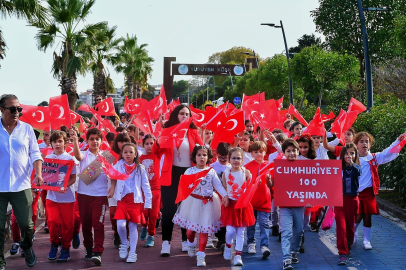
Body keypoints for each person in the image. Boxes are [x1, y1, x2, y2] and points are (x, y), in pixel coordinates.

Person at [152, 105, 204, 256]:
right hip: (171, 174)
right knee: (169, 210)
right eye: (181, 113)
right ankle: (166, 243)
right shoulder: (168, 131)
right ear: (176, 115)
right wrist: (160, 137)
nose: (184, 116)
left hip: (188, 174)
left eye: (187, 114)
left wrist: (204, 142)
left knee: (186, 209)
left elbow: (201, 152)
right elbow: (156, 151)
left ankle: (185, 241)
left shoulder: (193, 132)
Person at [0, 94, 43, 269]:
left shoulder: (26, 129)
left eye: (19, 109)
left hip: (22, 185)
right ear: (2, 110)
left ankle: (27, 246)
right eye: (12, 109)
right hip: (0, 187)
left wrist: (38, 173)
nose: (16, 112)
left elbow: (35, 153)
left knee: (27, 224)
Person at [173, 145, 228, 267]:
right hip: (192, 203)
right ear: (194, 157)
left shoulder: (211, 171)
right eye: (199, 155)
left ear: (208, 157)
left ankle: (201, 256)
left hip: (208, 204)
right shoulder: (189, 171)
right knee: (190, 232)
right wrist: (180, 198)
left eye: (204, 155)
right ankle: (191, 243)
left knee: (204, 231)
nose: (201, 157)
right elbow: (183, 186)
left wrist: (225, 195)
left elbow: (218, 185)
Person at [353, 131, 405, 250]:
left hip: (368, 193)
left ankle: (366, 240)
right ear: (356, 144)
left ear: (370, 145)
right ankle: (353, 233)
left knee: (367, 216)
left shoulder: (374, 158)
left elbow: (388, 151)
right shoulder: (352, 158)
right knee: (357, 215)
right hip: (355, 193)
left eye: (367, 141)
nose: (364, 143)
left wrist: (398, 140)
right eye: (361, 141)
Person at [108, 143, 152, 263]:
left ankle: (133, 252)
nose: (128, 154)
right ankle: (124, 243)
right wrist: (112, 186)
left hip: (135, 201)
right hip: (122, 200)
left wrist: (148, 202)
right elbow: (111, 174)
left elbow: (146, 186)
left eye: (131, 152)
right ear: (122, 154)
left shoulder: (140, 168)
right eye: (125, 152)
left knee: (133, 226)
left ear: (135, 154)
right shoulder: (118, 165)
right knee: (120, 225)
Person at [71, 127, 108, 266]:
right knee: (86, 224)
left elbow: (114, 174)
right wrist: (75, 139)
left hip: (100, 196)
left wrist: (112, 188)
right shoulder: (84, 155)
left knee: (98, 224)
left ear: (101, 141)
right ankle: (88, 248)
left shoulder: (106, 156)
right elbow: (77, 156)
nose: (94, 142)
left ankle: (98, 252)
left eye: (97, 139)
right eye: (91, 139)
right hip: (84, 195)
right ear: (87, 141)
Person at [278, 139, 311, 270]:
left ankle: (294, 251)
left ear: (298, 151)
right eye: (288, 151)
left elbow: (311, 183)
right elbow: (273, 185)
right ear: (284, 153)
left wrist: (309, 199)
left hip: (299, 205)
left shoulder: (305, 165)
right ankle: (286, 258)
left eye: (294, 150)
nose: (291, 153)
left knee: (299, 231)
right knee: (286, 232)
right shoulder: (279, 166)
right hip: (284, 206)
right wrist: (269, 181)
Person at [45, 131, 77, 262]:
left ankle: (66, 248)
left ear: (65, 142)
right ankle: (54, 244)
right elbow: (45, 176)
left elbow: (74, 178)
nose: (57, 144)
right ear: (51, 143)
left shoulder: (70, 159)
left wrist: (65, 186)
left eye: (60, 141)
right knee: (52, 222)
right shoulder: (48, 158)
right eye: (55, 142)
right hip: (52, 197)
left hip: (67, 198)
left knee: (67, 224)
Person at [221, 148, 255, 266]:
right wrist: (225, 198)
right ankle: (227, 245)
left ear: (242, 159)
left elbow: (250, 188)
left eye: (238, 158)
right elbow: (225, 188)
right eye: (233, 158)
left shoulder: (246, 173)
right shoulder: (226, 173)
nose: (236, 160)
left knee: (240, 232)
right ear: (229, 159)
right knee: (230, 231)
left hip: (243, 206)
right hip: (231, 204)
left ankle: (238, 255)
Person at [245, 141, 273, 259]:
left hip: (264, 201)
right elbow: (244, 184)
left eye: (261, 152)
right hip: (251, 202)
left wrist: (269, 179)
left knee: (264, 224)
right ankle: (251, 243)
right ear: (251, 153)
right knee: (251, 224)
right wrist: (253, 183)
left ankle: (264, 246)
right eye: (255, 152)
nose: (258, 154)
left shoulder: (270, 166)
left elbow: (272, 185)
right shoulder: (246, 167)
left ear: (265, 152)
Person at [335, 143, 361, 265]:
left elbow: (357, 173)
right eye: (346, 153)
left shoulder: (356, 168)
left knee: (350, 226)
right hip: (339, 201)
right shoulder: (337, 168)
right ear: (342, 154)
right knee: (341, 226)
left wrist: (351, 164)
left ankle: (348, 245)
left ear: (355, 155)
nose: (348, 156)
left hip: (352, 200)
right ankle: (342, 252)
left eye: (351, 153)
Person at [139, 134, 161, 247]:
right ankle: (144, 226)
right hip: (143, 190)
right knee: (143, 212)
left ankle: (151, 235)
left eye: (151, 143)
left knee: (153, 214)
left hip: (156, 188)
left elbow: (162, 144)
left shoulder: (156, 155)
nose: (149, 146)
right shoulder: (139, 159)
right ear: (142, 145)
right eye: (146, 144)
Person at [110, 133, 132, 247]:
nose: (123, 144)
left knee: (127, 216)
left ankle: (126, 236)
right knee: (113, 214)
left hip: (127, 192)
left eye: (125, 141)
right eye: (120, 141)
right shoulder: (109, 155)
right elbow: (92, 171)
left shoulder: (132, 155)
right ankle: (116, 233)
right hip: (112, 190)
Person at [209, 142, 232, 250]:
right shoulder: (212, 167)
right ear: (217, 154)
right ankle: (220, 239)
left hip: (229, 197)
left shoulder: (232, 166)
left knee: (227, 219)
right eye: (220, 157)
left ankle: (225, 241)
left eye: (225, 157)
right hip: (216, 198)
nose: (223, 159)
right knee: (218, 219)